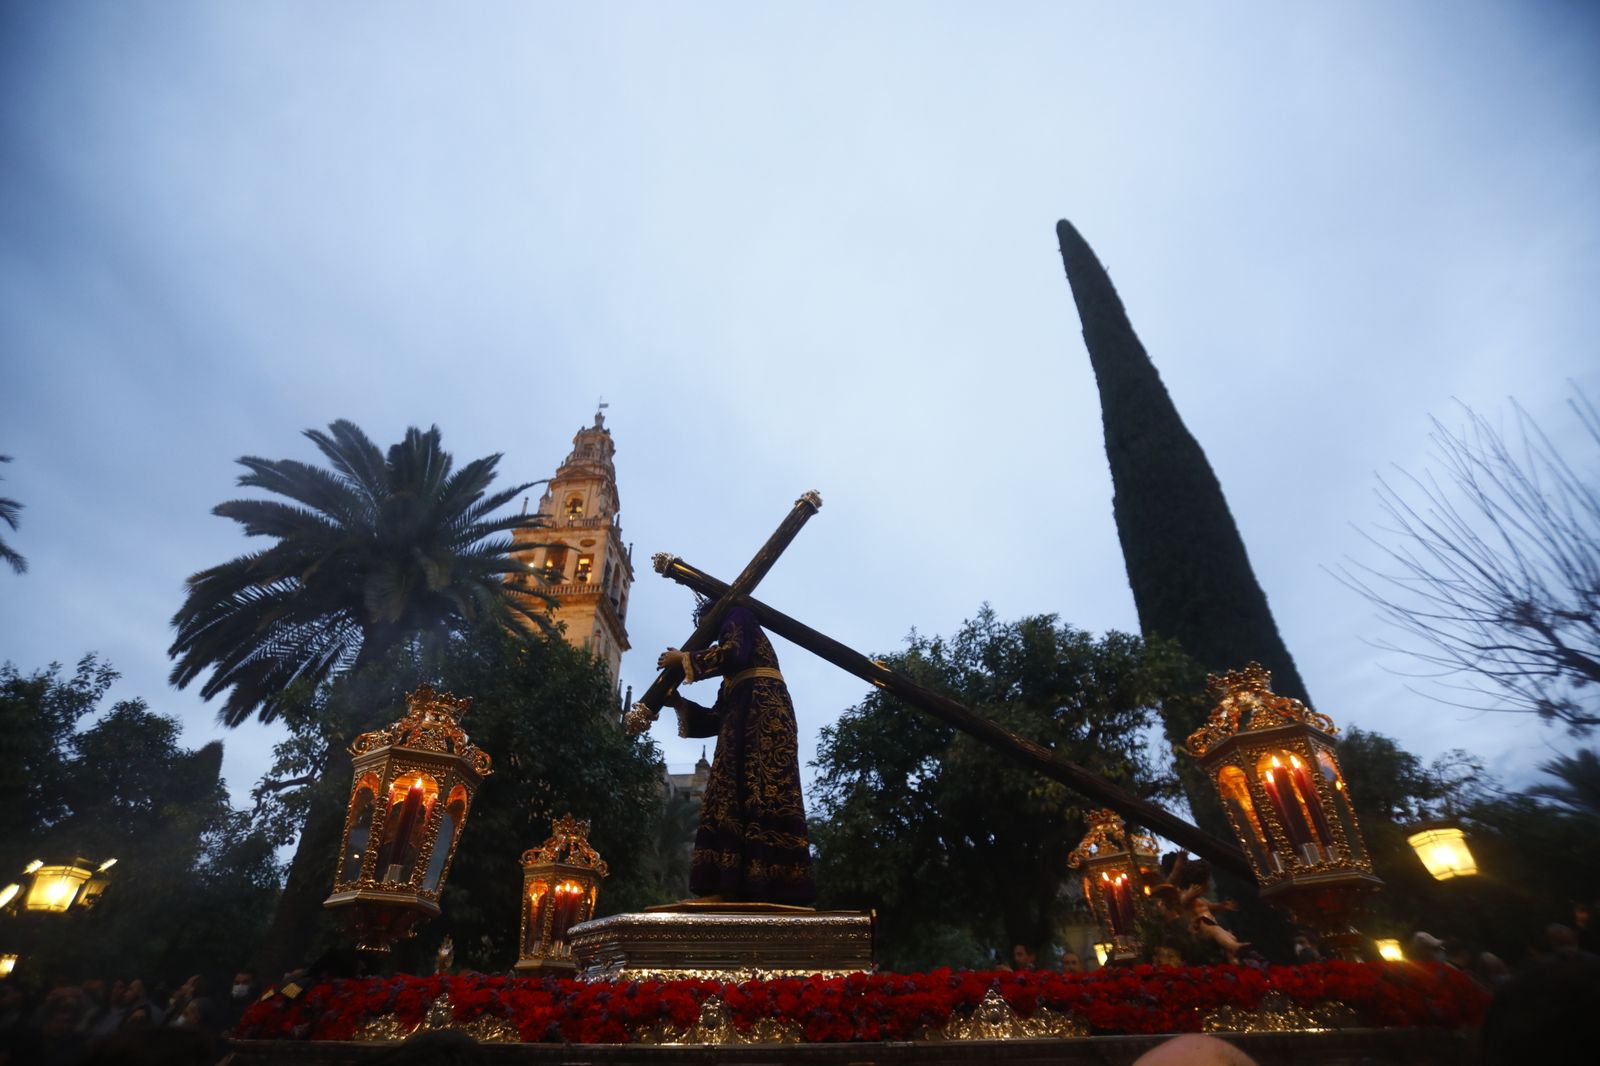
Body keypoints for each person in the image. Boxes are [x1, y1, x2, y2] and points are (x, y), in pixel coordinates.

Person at [660, 601, 814, 905]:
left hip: (763, 720)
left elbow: (733, 653)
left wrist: (684, 659)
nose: (718, 639)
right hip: (742, 724)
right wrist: (678, 703)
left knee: (760, 793)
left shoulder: (739, 615)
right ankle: (728, 885)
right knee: (730, 795)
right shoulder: (733, 680)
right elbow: (717, 717)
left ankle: (769, 886)